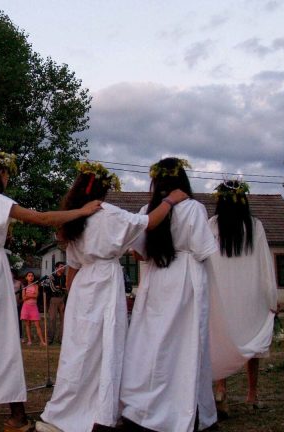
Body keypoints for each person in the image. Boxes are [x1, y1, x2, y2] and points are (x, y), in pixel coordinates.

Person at [0, 153, 102, 432]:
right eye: (7, 174)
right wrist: (81, 212)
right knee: (2, 338)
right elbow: (44, 218)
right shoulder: (0, 202)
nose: (8, 178)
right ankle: (14, 415)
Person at [35, 161, 188, 432]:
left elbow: (71, 267)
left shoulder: (74, 218)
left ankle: (69, 408)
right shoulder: (109, 213)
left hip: (83, 286)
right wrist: (170, 201)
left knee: (79, 350)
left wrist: (73, 301)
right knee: (107, 346)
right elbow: (150, 222)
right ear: (104, 189)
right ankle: (99, 410)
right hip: (104, 282)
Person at [119, 158, 218, 432]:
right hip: (185, 282)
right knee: (186, 346)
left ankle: (143, 407)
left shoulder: (148, 210)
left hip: (155, 279)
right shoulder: (194, 209)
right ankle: (184, 409)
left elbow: (138, 252)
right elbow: (202, 249)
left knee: (151, 345)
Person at [207, 180, 278, 414]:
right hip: (249, 294)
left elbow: (204, 261)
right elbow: (265, 263)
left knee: (221, 341)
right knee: (253, 339)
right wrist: (271, 298)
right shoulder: (255, 226)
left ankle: (221, 389)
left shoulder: (212, 225)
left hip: (221, 295)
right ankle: (252, 394)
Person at [20, 271, 46, 346]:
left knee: (37, 325)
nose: (31, 277)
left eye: (32, 276)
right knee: (28, 324)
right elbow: (23, 298)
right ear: (26, 277)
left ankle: (42, 341)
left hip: (33, 307)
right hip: (26, 307)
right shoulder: (24, 287)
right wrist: (31, 295)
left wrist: (28, 296)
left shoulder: (36, 286)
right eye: (29, 276)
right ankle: (29, 341)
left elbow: (36, 296)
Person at [46, 262, 67, 345]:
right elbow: (53, 289)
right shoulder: (52, 277)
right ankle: (50, 339)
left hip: (63, 299)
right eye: (62, 266)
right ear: (56, 268)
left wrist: (61, 287)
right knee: (52, 319)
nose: (64, 268)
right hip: (54, 299)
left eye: (64, 267)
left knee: (64, 320)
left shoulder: (65, 277)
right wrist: (62, 288)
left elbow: (68, 288)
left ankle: (62, 339)